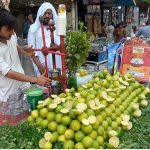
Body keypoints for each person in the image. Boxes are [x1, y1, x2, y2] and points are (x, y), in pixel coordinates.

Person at [0, 8, 51, 102]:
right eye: (8, 29)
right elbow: (8, 73)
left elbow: (14, 46)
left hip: (23, 88)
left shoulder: (12, 36)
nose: (12, 32)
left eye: (13, 29)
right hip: (7, 96)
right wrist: (35, 79)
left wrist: (23, 50)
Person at [28, 2, 61, 77]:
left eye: (49, 13)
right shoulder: (33, 29)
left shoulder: (56, 28)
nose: (47, 15)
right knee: (44, 87)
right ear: (40, 14)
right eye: (44, 13)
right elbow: (31, 50)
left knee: (58, 85)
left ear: (52, 15)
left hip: (57, 64)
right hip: (42, 65)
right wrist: (40, 66)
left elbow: (61, 45)